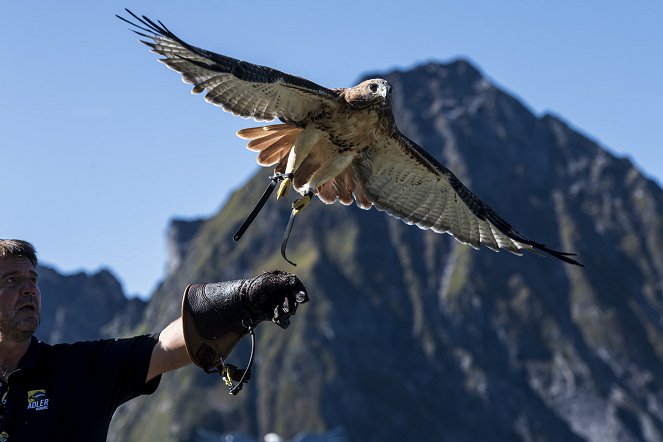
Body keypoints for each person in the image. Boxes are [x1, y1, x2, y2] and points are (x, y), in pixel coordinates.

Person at [0, 239, 309, 441]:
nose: (29, 289)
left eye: (33, 280)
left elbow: (166, 346)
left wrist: (242, 299)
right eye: (12, 280)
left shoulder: (79, 371)